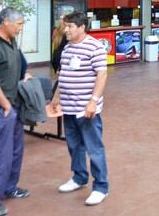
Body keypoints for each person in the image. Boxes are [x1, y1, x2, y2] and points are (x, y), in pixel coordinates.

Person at [50, 11, 109, 206]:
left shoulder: (95, 47)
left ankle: (100, 187)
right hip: (68, 108)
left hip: (86, 110)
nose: (65, 30)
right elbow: (63, 74)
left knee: (94, 149)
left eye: (69, 27)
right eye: (65, 26)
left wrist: (93, 101)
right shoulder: (67, 48)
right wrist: (56, 97)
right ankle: (79, 177)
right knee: (74, 146)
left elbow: (101, 76)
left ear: (82, 27)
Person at [0, 8, 32, 216]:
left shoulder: (12, 42)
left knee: (15, 152)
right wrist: (6, 106)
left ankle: (10, 187)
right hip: (1, 109)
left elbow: (17, 67)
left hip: (16, 105)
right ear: (5, 22)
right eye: (18, 23)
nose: (21, 27)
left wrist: (25, 74)